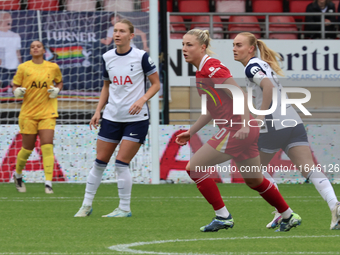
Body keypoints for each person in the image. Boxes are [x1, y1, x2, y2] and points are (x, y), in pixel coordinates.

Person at [176, 28, 302, 232]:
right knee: (254, 179)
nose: (184, 49)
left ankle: (223, 216)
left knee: (194, 167)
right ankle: (288, 215)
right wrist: (192, 131)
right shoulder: (201, 72)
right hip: (241, 129)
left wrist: (245, 123)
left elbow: (240, 95)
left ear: (203, 47)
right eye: (183, 44)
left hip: (236, 128)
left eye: (189, 45)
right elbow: (210, 109)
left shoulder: (212, 67)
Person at [233, 32, 340, 230]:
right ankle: (335, 206)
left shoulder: (251, 67)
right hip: (292, 120)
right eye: (233, 45)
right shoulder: (260, 64)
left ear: (250, 48)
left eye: (239, 45)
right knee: (309, 169)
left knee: (253, 171)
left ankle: (283, 213)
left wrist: (261, 116)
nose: (234, 48)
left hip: (274, 124)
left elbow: (268, 87)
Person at [74, 19, 160, 218]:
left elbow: (156, 84)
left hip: (136, 119)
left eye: (122, 31)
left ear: (131, 36)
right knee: (99, 162)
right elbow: (106, 86)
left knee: (121, 163)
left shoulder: (142, 57)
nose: (117, 34)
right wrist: (98, 111)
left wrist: (143, 99)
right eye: (115, 31)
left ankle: (124, 208)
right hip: (111, 117)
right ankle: (86, 206)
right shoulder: (107, 56)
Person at [12, 40, 63, 194]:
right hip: (28, 114)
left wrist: (56, 90)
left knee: (47, 145)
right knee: (27, 149)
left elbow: (60, 83)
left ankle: (48, 183)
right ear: (30, 51)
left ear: (43, 50)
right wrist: (17, 91)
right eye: (33, 47)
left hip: (48, 112)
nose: (35, 48)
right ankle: (18, 175)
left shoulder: (52, 67)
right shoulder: (23, 67)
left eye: (38, 46)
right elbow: (15, 85)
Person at [0, 11, 22, 88]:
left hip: (14, 68)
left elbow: (17, 52)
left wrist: (20, 66)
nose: (9, 19)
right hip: (2, 68)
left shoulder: (15, 35)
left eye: (9, 17)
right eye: (6, 17)